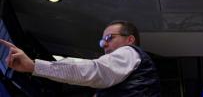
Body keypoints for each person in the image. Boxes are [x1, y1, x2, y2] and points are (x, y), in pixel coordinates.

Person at [0, 20, 161, 96]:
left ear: (130, 40)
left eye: (109, 38)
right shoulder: (123, 73)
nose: (104, 45)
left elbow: (93, 70)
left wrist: (33, 66)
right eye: (102, 41)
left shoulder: (129, 52)